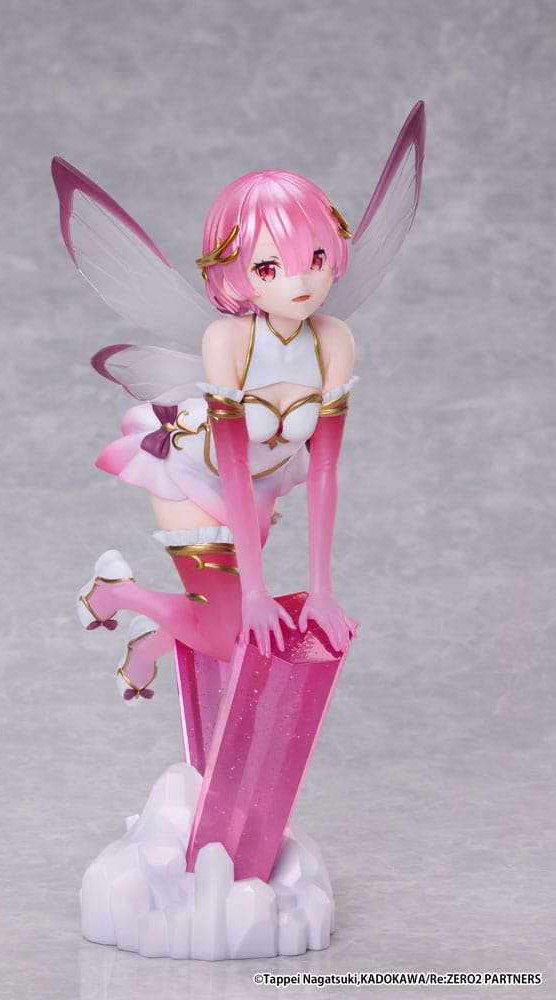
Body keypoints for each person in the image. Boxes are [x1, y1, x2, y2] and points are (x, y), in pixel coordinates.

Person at [52, 101, 426, 702]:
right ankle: (119, 593)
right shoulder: (227, 340)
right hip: (194, 473)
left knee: (232, 623)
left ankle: (155, 639)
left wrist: (322, 591)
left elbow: (325, 470)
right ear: (234, 271)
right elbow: (227, 462)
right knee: (233, 632)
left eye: (316, 258)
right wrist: (255, 591)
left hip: (262, 488)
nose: (300, 282)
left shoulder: (333, 340)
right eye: (271, 267)